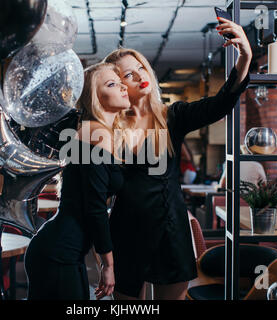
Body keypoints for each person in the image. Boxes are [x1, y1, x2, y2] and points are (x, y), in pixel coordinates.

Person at [103, 16, 252, 300]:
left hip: (170, 230)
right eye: (128, 75)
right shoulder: (108, 127)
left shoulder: (173, 116)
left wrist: (245, 54)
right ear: (118, 85)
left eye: (140, 67)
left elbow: (221, 103)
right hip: (125, 231)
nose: (140, 75)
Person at [24, 62, 130, 300]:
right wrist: (108, 265)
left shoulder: (98, 131)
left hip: (63, 250)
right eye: (112, 84)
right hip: (58, 253)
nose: (123, 87)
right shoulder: (96, 134)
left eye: (121, 82)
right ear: (94, 96)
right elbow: (95, 209)